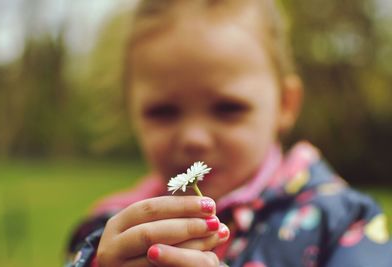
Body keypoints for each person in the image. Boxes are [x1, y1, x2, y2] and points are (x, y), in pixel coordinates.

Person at [65, 0, 392, 266]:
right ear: (131, 110)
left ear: (285, 104)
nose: (194, 138)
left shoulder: (340, 224)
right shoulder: (108, 230)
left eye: (228, 108)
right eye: (163, 112)